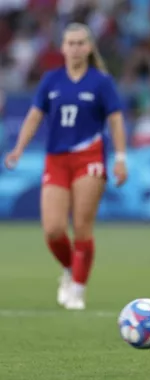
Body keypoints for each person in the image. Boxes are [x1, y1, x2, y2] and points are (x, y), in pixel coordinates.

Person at [3, 23, 128, 310]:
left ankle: (78, 290)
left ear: (89, 47)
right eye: (70, 43)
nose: (74, 48)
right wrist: (19, 148)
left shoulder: (101, 82)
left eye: (80, 43)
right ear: (62, 47)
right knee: (53, 229)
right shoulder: (51, 80)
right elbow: (35, 116)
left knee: (82, 226)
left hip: (89, 158)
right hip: (57, 160)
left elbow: (116, 120)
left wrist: (120, 158)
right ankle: (71, 269)